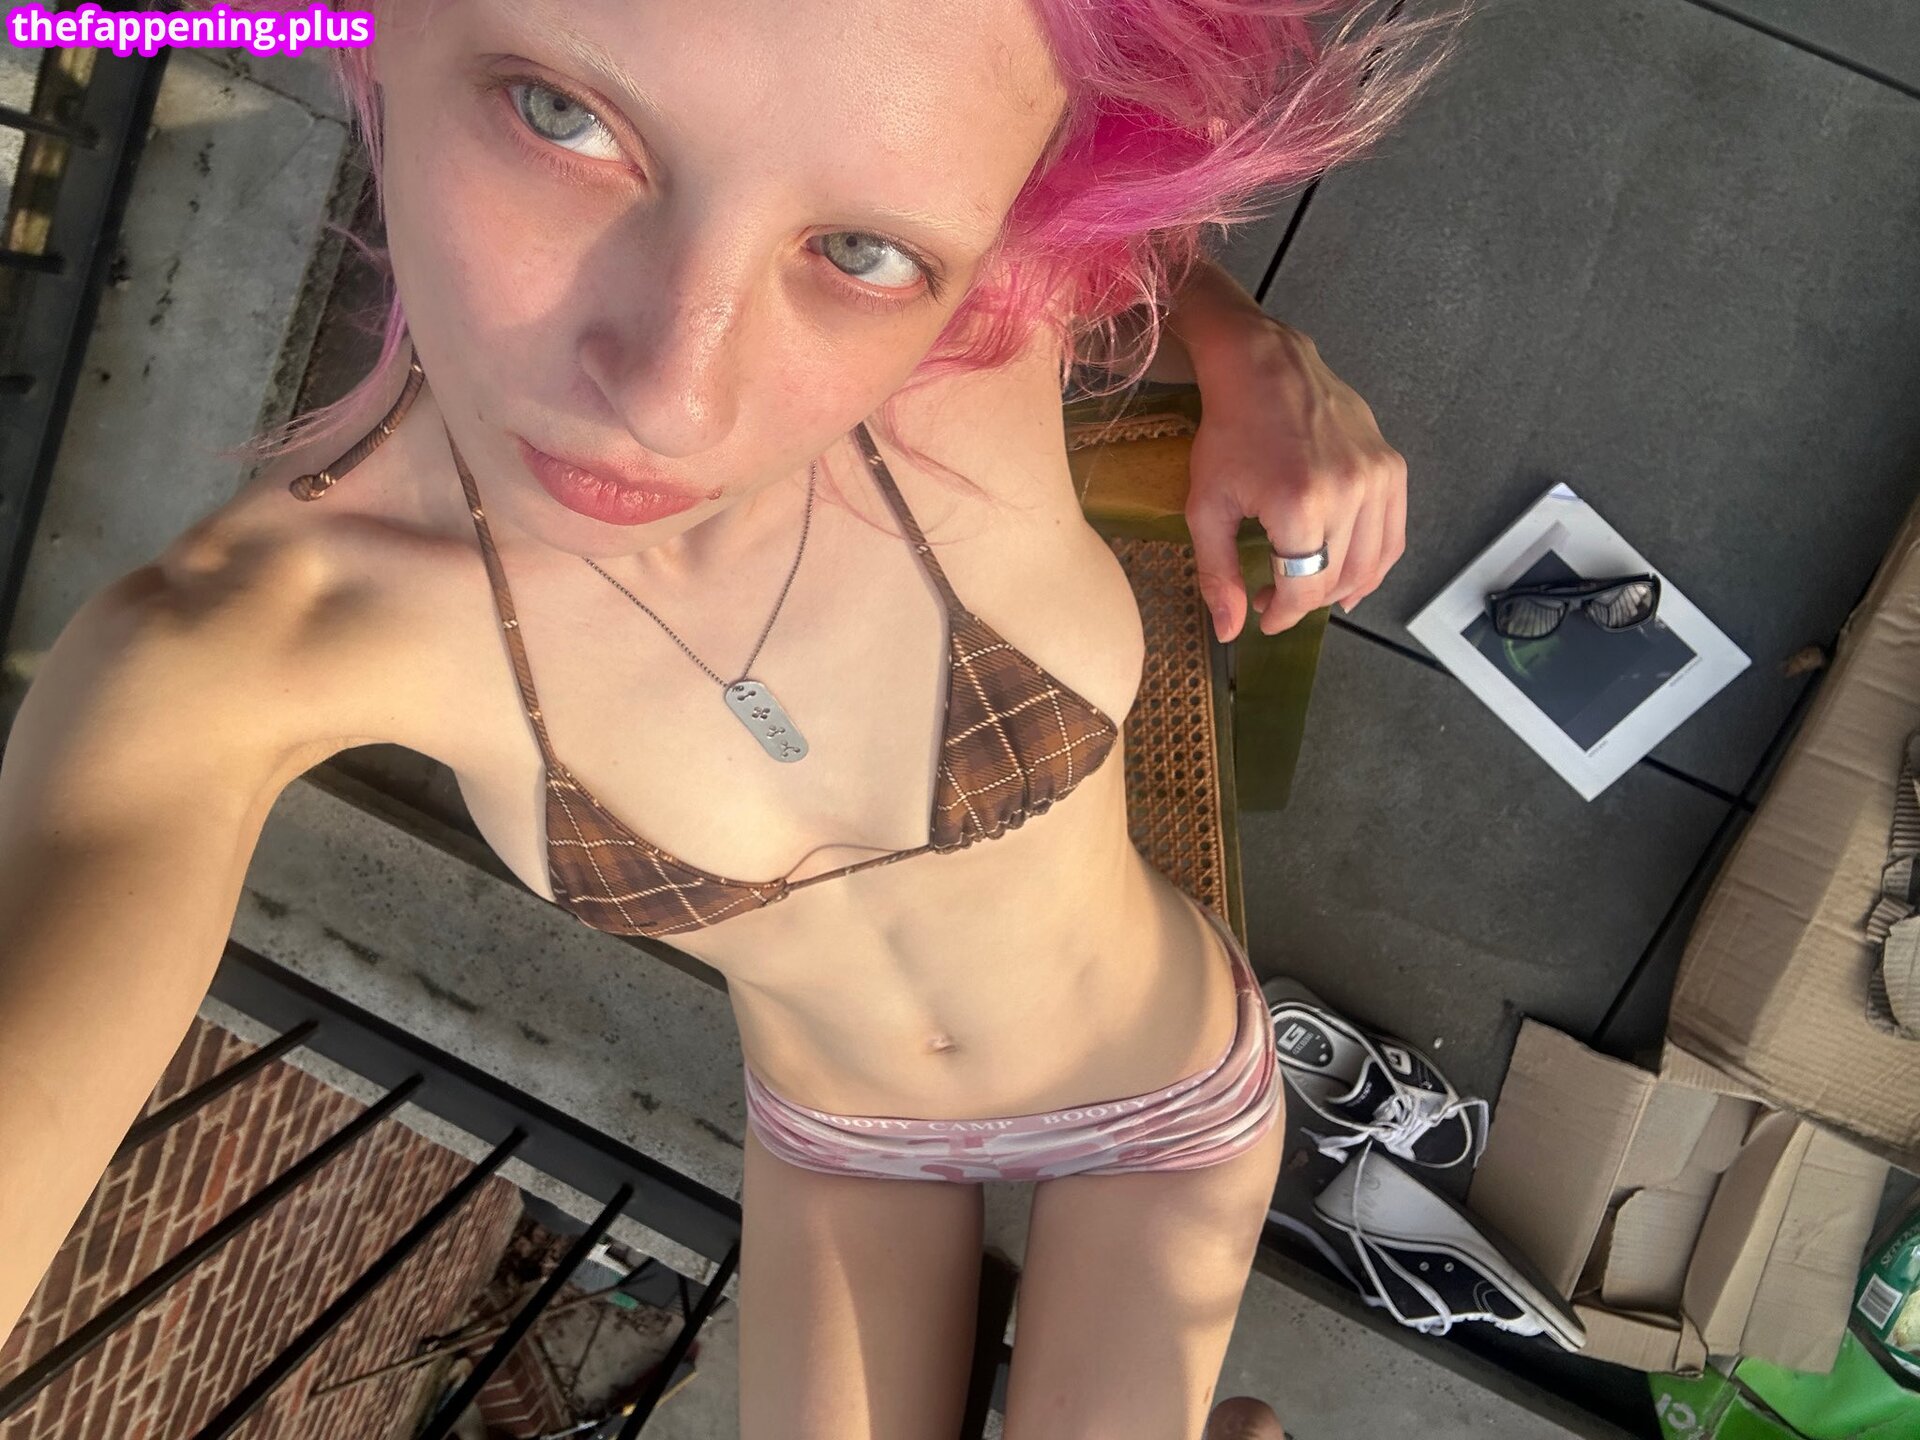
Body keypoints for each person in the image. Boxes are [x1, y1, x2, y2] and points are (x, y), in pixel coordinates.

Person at [0, 1, 1457, 1434]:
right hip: (846, 1152)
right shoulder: (250, 648)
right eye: (563, 115)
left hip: (1153, 1113)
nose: (671, 401)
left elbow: (1100, 221)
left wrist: (1248, 344)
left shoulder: (986, 314)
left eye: (864, 250)